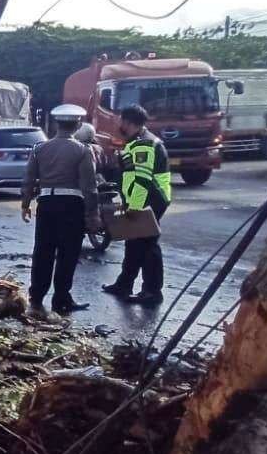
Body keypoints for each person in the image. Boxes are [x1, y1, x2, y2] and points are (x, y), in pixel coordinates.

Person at [21, 105, 101, 316]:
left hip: (46, 204)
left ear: (56, 124)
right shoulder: (83, 150)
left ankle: (36, 298)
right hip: (72, 206)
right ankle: (61, 299)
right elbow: (89, 187)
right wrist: (93, 214)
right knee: (68, 253)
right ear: (77, 125)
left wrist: (25, 204)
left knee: (43, 251)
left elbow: (29, 179)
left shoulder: (39, 148)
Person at [103, 104, 171, 306]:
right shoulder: (136, 142)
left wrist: (134, 205)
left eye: (120, 120)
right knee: (134, 243)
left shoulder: (144, 144)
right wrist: (127, 201)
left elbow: (143, 179)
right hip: (141, 199)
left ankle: (152, 291)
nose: (118, 124)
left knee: (148, 246)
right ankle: (124, 284)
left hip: (150, 200)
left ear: (128, 122)